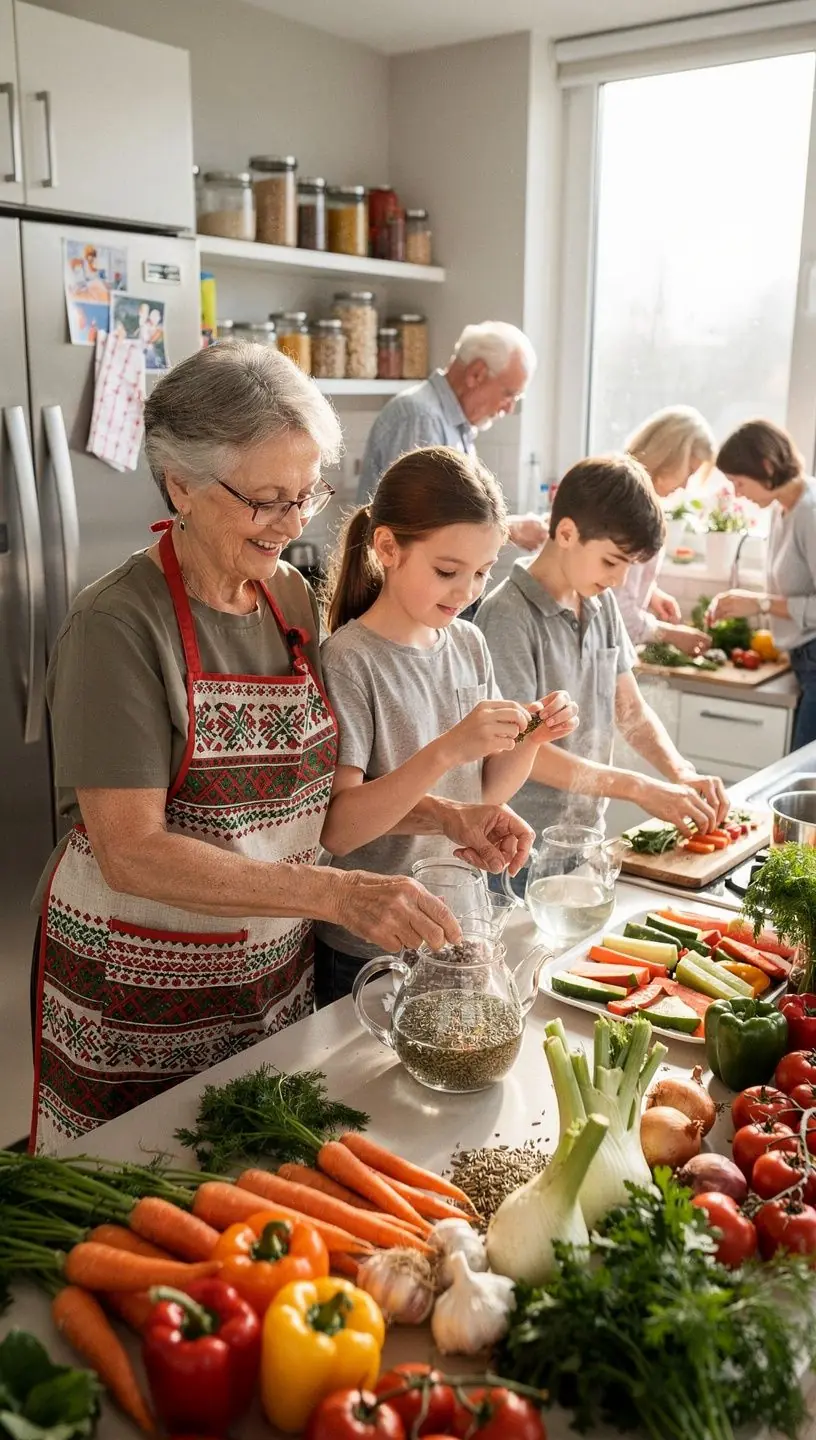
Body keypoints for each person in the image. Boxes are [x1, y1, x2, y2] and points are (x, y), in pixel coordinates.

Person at [29, 345, 533, 1151]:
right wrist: (337, 897)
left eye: (306, 496)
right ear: (180, 485)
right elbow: (133, 853)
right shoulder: (117, 628)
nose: (294, 525)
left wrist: (451, 816)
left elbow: (306, 800)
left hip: (271, 982)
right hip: (142, 997)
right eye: (266, 500)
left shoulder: (289, 597)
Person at [315, 446, 579, 1004]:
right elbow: (340, 829)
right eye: (447, 571)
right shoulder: (349, 659)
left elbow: (483, 794)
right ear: (388, 548)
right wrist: (447, 749)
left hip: (455, 930)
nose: (467, 592)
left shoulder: (468, 642)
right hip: (370, 946)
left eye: (482, 572)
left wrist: (533, 736)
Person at [475, 456, 729, 893]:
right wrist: (638, 788)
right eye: (613, 561)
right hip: (515, 852)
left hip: (585, 843)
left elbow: (628, 708)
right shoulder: (506, 616)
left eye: (629, 565)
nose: (619, 579)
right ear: (567, 533)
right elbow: (517, 748)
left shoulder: (599, 601)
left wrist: (680, 771)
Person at [357, 320, 547, 553]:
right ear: (476, 374)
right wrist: (510, 529)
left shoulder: (455, 426)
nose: (509, 409)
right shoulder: (421, 417)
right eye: (510, 394)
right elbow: (420, 524)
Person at [707, 419, 816, 749]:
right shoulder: (781, 509)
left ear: (766, 466)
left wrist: (761, 604)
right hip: (803, 661)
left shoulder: (810, 512)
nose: (737, 493)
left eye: (739, 482)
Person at [617, 406, 716, 655]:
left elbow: (618, 586)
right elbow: (618, 614)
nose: (685, 485)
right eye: (689, 471)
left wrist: (650, 594)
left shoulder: (641, 500)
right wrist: (670, 635)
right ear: (669, 456)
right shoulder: (629, 508)